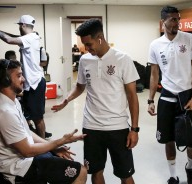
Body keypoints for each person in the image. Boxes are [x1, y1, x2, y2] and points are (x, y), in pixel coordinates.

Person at [52, 19, 139, 184]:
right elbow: (80, 86)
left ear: (100, 38)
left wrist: (134, 129)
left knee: (125, 174)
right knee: (95, 172)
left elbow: (132, 96)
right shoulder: (85, 60)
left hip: (117, 127)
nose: (86, 48)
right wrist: (67, 99)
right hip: (91, 127)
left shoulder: (123, 59)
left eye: (89, 44)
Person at [0, 59, 87, 184]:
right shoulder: (5, 112)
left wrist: (53, 147)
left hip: (26, 160)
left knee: (63, 163)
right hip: (18, 168)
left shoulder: (12, 102)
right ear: (6, 80)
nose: (24, 79)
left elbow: (27, 133)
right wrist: (60, 142)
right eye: (19, 76)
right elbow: (27, 150)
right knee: (81, 171)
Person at [147, 5, 192, 184]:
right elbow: (154, 74)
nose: (177, 22)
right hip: (167, 98)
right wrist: (150, 99)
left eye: (178, 19)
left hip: (188, 97)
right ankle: (173, 175)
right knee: (168, 139)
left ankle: (190, 168)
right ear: (163, 22)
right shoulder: (155, 45)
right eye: (173, 19)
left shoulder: (190, 39)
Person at [0, 15, 51, 139]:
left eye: (19, 26)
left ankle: (44, 145)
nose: (19, 28)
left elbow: (8, 40)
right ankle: (38, 142)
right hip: (32, 83)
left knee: (37, 117)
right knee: (31, 116)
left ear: (23, 25)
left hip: (35, 83)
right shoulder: (31, 37)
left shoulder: (29, 39)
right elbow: (13, 37)